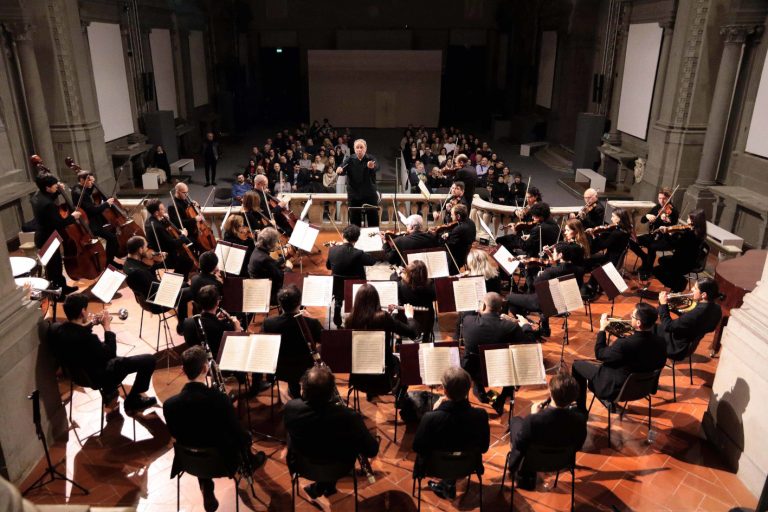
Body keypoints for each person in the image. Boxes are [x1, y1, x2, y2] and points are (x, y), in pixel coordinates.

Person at [164, 346, 266, 512]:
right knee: (241, 436)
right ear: (205, 369)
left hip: (190, 461)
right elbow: (237, 434)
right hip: (223, 462)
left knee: (195, 439)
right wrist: (247, 438)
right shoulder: (219, 399)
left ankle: (206, 485)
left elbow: (177, 434)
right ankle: (251, 463)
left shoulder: (169, 405)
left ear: (182, 370)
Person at [283, 365, 379, 500]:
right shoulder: (350, 417)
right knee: (342, 442)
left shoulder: (291, 408)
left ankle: (322, 485)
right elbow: (372, 450)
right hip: (340, 468)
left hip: (303, 466)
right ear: (331, 393)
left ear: (304, 392)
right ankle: (326, 484)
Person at [52, 293, 157, 414]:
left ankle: (110, 392)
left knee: (113, 358)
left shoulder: (58, 330)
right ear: (82, 311)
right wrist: (107, 326)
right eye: (87, 309)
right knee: (149, 360)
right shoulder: (89, 339)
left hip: (77, 376)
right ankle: (133, 400)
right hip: (99, 377)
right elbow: (111, 353)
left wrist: (90, 324)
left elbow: (77, 333)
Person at [571, 303, 667, 412]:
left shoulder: (624, 344)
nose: (630, 317)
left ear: (639, 323)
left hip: (617, 389)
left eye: (633, 316)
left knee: (577, 365)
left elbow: (600, 354)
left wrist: (602, 329)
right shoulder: (661, 341)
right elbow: (660, 363)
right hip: (644, 387)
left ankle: (580, 410)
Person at [412, 367, 490, 500]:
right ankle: (449, 484)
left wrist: (435, 411)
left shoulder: (430, 418)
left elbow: (417, 447)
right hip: (468, 466)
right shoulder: (481, 415)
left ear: (445, 390)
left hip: (434, 467)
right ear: (468, 389)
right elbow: (484, 448)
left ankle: (447, 484)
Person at [507, 371, 587, 490]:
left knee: (515, 421)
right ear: (574, 398)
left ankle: (520, 472)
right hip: (562, 462)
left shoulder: (532, 421)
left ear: (551, 392)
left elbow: (519, 444)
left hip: (531, 462)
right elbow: (578, 446)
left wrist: (534, 415)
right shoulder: (580, 421)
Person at [460, 292, 536, 414]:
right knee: (514, 361)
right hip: (502, 373)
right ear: (501, 308)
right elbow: (530, 344)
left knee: (471, 357)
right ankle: (501, 398)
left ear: (483, 306)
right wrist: (526, 326)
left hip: (474, 372)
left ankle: (480, 391)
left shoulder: (468, 323)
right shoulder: (510, 327)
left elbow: (468, 314)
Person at [345, 284, 419, 400]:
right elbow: (412, 332)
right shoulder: (383, 318)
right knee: (405, 365)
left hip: (359, 380)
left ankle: (371, 394)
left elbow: (369, 326)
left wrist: (389, 316)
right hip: (384, 381)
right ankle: (400, 399)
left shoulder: (350, 320)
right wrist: (409, 316)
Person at [507, 243, 585, 338]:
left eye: (554, 252)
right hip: (566, 304)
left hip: (545, 305)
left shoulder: (551, 272)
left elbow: (532, 286)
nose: (553, 254)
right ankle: (544, 328)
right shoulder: (579, 270)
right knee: (548, 294)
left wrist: (527, 269)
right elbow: (579, 286)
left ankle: (527, 325)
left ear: (560, 255)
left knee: (510, 298)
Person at [123, 235, 192, 334]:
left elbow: (147, 275)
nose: (148, 250)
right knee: (191, 291)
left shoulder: (128, 264)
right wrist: (170, 284)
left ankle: (182, 325)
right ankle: (186, 325)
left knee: (184, 284)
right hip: (156, 303)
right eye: (146, 247)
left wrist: (158, 262)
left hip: (148, 296)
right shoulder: (137, 272)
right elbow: (155, 288)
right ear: (140, 250)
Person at [262, 285, 320, 398]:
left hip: (280, 369)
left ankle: (294, 391)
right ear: (299, 303)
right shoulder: (311, 323)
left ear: (280, 304)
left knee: (292, 372)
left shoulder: (269, 323)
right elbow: (324, 340)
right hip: (306, 368)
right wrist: (310, 318)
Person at [30, 173, 81, 294]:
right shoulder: (48, 205)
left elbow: (47, 200)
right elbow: (59, 223)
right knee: (54, 267)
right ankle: (58, 294)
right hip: (48, 238)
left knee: (55, 266)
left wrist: (58, 192)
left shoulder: (36, 196)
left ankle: (63, 287)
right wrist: (73, 217)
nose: (56, 186)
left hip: (42, 236)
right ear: (47, 187)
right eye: (54, 185)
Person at [656, 277, 722, 360]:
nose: (692, 289)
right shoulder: (717, 308)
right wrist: (673, 309)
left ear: (703, 295)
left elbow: (668, 326)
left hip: (676, 348)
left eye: (695, 288)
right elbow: (697, 324)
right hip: (689, 346)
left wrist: (663, 305)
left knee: (647, 326)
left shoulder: (697, 313)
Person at [326, 224, 378, 327]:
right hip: (355, 289)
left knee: (339, 294)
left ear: (342, 235)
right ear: (357, 239)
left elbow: (328, 267)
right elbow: (372, 261)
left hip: (337, 289)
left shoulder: (332, 250)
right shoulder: (358, 253)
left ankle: (338, 307)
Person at [71, 170, 120, 269]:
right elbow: (92, 210)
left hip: (91, 220)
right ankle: (108, 262)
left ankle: (109, 259)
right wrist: (106, 203)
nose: (91, 182)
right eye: (89, 180)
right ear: (81, 180)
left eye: (92, 180)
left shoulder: (76, 188)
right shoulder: (81, 193)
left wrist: (92, 184)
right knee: (112, 238)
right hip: (90, 224)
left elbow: (87, 191)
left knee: (112, 233)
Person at [629, 187, 679, 279]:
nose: (661, 201)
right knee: (631, 241)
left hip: (665, 239)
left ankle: (648, 269)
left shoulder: (673, 211)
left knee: (652, 246)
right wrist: (647, 216)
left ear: (669, 198)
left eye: (664, 198)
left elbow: (672, 227)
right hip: (653, 235)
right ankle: (644, 257)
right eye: (659, 198)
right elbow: (643, 220)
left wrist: (666, 221)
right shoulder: (657, 208)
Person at [652, 209, 708, 292]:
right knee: (662, 261)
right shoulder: (700, 233)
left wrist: (666, 234)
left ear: (694, 221)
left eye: (689, 218)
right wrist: (676, 233)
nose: (687, 220)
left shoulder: (689, 234)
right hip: (690, 260)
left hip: (682, 263)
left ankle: (679, 284)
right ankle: (676, 279)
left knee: (656, 270)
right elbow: (682, 243)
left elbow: (673, 245)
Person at [182, 285, 240, 361]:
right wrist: (237, 329)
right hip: (215, 365)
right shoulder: (224, 328)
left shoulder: (187, 323)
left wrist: (215, 318)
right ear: (217, 302)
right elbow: (235, 347)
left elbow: (207, 323)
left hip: (196, 364)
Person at [144, 199, 196, 278]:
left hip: (157, 249)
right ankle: (179, 281)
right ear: (156, 213)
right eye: (162, 209)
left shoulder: (149, 221)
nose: (164, 209)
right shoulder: (157, 227)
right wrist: (183, 236)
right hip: (164, 255)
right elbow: (173, 244)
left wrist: (164, 220)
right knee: (188, 262)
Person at [336, 139, 380, 227]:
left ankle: (373, 238)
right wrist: (339, 170)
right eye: (357, 147)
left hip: (369, 194)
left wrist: (372, 166)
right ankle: (355, 239)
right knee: (354, 221)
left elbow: (377, 166)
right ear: (354, 149)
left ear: (365, 149)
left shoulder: (370, 158)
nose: (359, 149)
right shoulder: (349, 159)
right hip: (354, 195)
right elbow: (342, 168)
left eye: (361, 147)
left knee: (373, 219)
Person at [396, 260, 437, 341]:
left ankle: (399, 338)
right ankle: (426, 340)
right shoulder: (431, 286)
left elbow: (394, 281)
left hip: (406, 320)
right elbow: (434, 298)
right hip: (426, 321)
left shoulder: (400, 286)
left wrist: (399, 275)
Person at [247, 228, 285, 305]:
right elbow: (281, 276)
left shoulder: (257, 251)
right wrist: (288, 268)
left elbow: (272, 265)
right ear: (270, 244)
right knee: (296, 286)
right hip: (269, 294)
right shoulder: (264, 259)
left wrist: (285, 257)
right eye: (276, 242)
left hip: (259, 290)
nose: (277, 244)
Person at [436, 203, 476, 275]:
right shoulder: (471, 222)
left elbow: (448, 245)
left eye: (452, 214)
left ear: (458, 216)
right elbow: (460, 236)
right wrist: (450, 234)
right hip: (465, 251)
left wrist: (442, 238)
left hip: (457, 258)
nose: (451, 216)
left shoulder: (459, 229)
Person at [168, 182, 203, 250]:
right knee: (200, 245)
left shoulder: (184, 199)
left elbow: (192, 212)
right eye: (184, 192)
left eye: (187, 192)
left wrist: (197, 206)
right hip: (187, 233)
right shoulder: (172, 206)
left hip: (194, 229)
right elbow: (177, 223)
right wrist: (194, 220)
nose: (187, 195)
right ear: (177, 191)